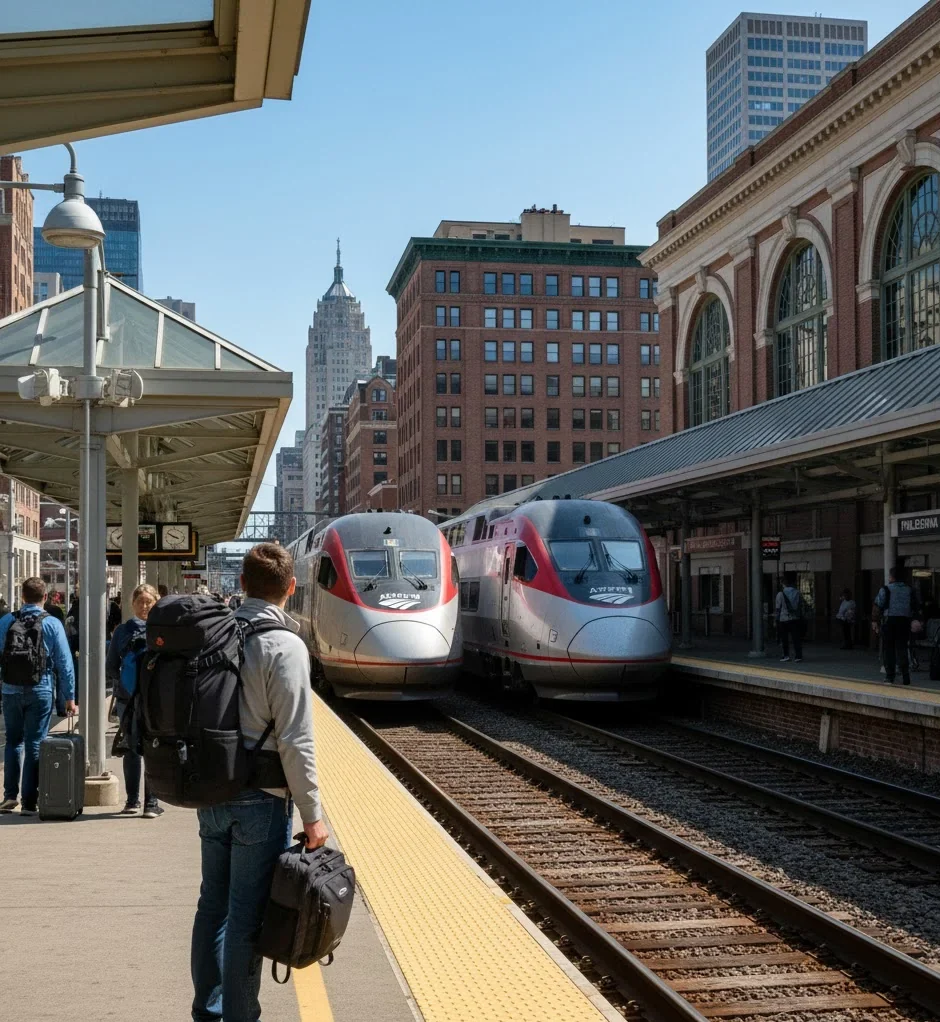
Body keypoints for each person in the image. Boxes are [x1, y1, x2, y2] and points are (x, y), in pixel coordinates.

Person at [191, 543, 327, 1022]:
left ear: (242, 584)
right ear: (291, 588)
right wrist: (313, 817)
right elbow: (295, 739)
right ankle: (240, 1016)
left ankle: (208, 1011)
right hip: (261, 800)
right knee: (246, 916)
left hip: (212, 789)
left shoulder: (214, 633)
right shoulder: (286, 645)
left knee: (213, 906)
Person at [0, 577, 77, 815]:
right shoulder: (52, 623)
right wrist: (69, 696)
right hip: (40, 688)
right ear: (45, 597)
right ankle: (30, 801)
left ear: (22, 596)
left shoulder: (5, 621)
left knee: (13, 741)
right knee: (35, 742)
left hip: (10, 688)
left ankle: (9, 796)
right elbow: (65, 663)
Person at [106, 584, 162, 818]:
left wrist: (125, 686)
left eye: (148, 602)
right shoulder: (162, 630)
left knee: (132, 748)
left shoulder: (122, 631)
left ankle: (132, 802)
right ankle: (151, 803)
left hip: (126, 699)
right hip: (154, 699)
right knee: (152, 748)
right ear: (133, 604)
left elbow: (111, 666)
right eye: (142, 602)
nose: (145, 606)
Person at [874, 565, 920, 686]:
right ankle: (905, 676)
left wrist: (875, 621)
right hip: (904, 622)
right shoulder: (909, 590)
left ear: (891, 577)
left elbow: (878, 605)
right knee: (902, 648)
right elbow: (915, 607)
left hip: (889, 621)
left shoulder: (886, 589)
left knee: (888, 649)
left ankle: (890, 676)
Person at [775, 572, 804, 663]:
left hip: (784, 619)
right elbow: (801, 606)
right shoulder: (797, 593)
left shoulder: (780, 594)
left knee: (785, 638)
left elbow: (778, 608)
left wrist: (776, 619)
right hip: (795, 618)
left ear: (784, 582)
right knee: (796, 638)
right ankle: (798, 656)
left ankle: (786, 655)